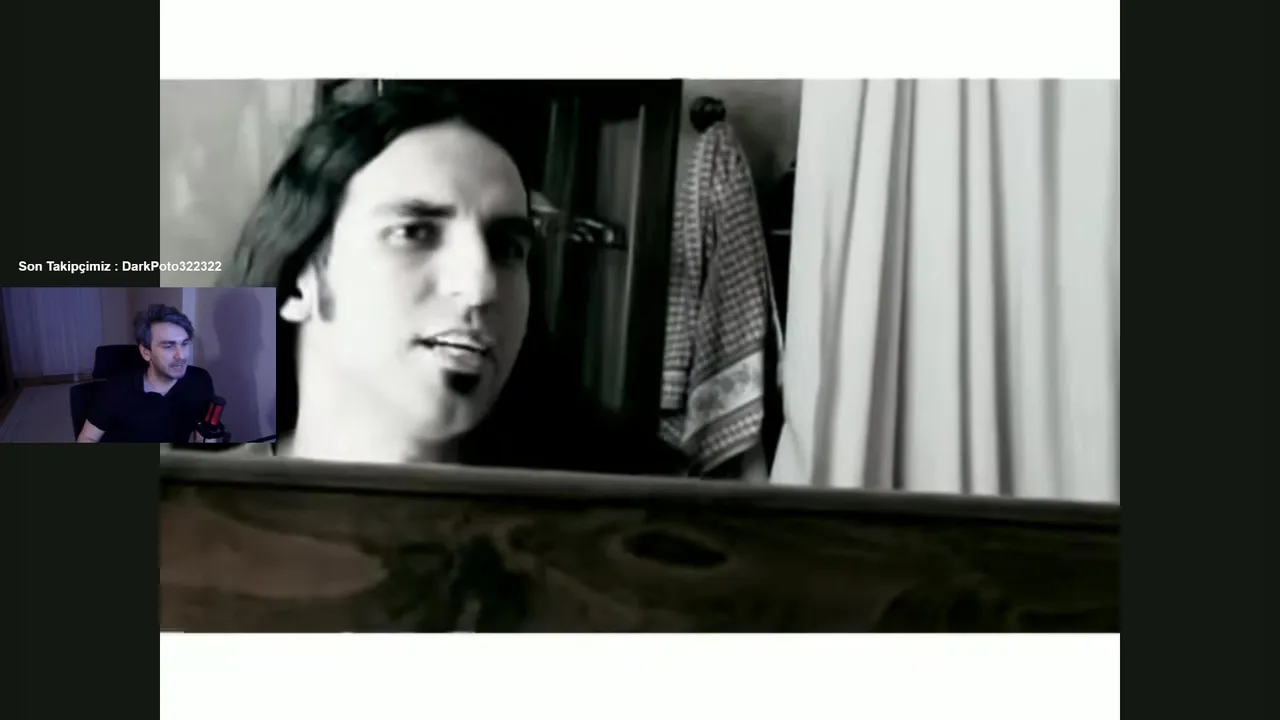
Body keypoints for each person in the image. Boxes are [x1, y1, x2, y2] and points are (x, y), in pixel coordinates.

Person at [220, 87, 682, 476]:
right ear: (298, 284)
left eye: (507, 248)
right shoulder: (194, 512)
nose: (482, 287)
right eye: (414, 232)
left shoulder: (618, 524)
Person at [78, 304, 216, 443]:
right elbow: (87, 438)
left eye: (184, 344)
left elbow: (205, 435)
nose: (181, 356)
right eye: (168, 346)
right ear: (146, 352)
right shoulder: (117, 387)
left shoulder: (199, 381)